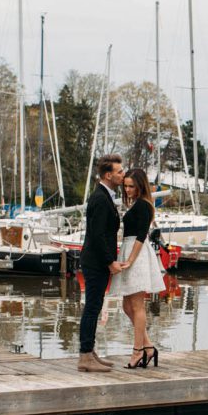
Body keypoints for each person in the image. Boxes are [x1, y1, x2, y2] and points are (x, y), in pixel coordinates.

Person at [114, 169, 167, 368]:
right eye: (125, 186)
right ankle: (148, 347)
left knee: (136, 306)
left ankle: (137, 352)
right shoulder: (136, 204)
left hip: (136, 254)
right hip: (129, 251)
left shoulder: (144, 205)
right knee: (127, 306)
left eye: (131, 186)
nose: (127, 190)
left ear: (140, 186)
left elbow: (141, 236)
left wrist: (130, 260)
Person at [78, 154, 124, 372]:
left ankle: (90, 351)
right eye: (119, 172)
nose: (123, 175)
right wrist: (110, 262)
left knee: (94, 307)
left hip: (97, 261)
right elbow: (97, 235)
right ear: (108, 175)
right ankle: (85, 356)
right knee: (92, 307)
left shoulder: (106, 196)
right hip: (96, 262)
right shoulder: (99, 198)